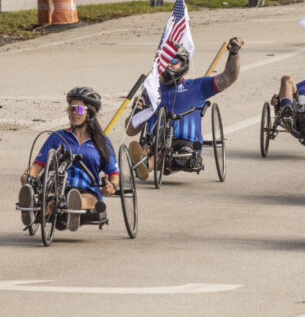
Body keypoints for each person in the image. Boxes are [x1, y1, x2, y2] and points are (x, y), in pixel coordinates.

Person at [127, 37, 244, 181]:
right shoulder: (151, 90)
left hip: (185, 148)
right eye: (164, 61)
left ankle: (145, 164)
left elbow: (229, 77)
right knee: (148, 148)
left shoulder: (197, 86)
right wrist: (136, 112)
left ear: (184, 63)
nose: (168, 64)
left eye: (174, 61)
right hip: (155, 141)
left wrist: (234, 52)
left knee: (176, 153)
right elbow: (130, 131)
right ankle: (141, 161)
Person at [18, 87, 119, 232]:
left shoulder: (102, 142)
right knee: (51, 199)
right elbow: (37, 165)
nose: (73, 113)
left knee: (84, 199)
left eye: (78, 109)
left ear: (89, 113)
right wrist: (27, 176)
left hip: (87, 189)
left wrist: (113, 186)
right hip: (58, 188)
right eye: (71, 109)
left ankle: (70, 206)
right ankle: (33, 211)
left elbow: (113, 172)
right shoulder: (57, 137)